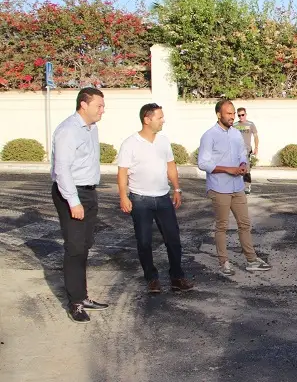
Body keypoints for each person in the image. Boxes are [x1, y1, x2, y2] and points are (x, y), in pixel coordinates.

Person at [117, 103, 194, 294]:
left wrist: (177, 189)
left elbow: (170, 166)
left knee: (173, 239)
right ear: (147, 119)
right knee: (144, 241)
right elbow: (122, 173)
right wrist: (123, 197)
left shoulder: (163, 141)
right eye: (159, 117)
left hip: (163, 198)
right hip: (140, 200)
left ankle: (177, 277)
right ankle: (152, 279)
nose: (163, 121)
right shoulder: (130, 143)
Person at [50, 87, 109, 324]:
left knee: (85, 245)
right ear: (83, 105)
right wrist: (73, 201)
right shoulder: (67, 131)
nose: (103, 111)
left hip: (89, 192)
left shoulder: (91, 129)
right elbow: (62, 170)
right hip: (71, 193)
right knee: (74, 248)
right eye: (99, 106)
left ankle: (82, 296)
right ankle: (74, 302)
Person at [198, 99, 272, 276]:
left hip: (237, 186)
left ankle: (251, 260)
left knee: (244, 223)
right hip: (219, 187)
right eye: (229, 114)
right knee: (222, 226)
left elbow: (242, 153)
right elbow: (202, 163)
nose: (232, 117)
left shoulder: (235, 134)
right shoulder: (209, 135)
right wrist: (227, 169)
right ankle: (224, 262)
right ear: (219, 115)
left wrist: (242, 164)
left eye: (233, 113)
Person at [233, 107, 258, 194]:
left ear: (246, 114)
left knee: (246, 169)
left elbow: (255, 136)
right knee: (236, 168)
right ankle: (237, 186)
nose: (241, 117)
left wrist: (256, 147)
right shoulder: (235, 125)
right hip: (236, 150)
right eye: (239, 115)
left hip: (247, 150)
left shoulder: (250, 124)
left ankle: (247, 186)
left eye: (242, 115)